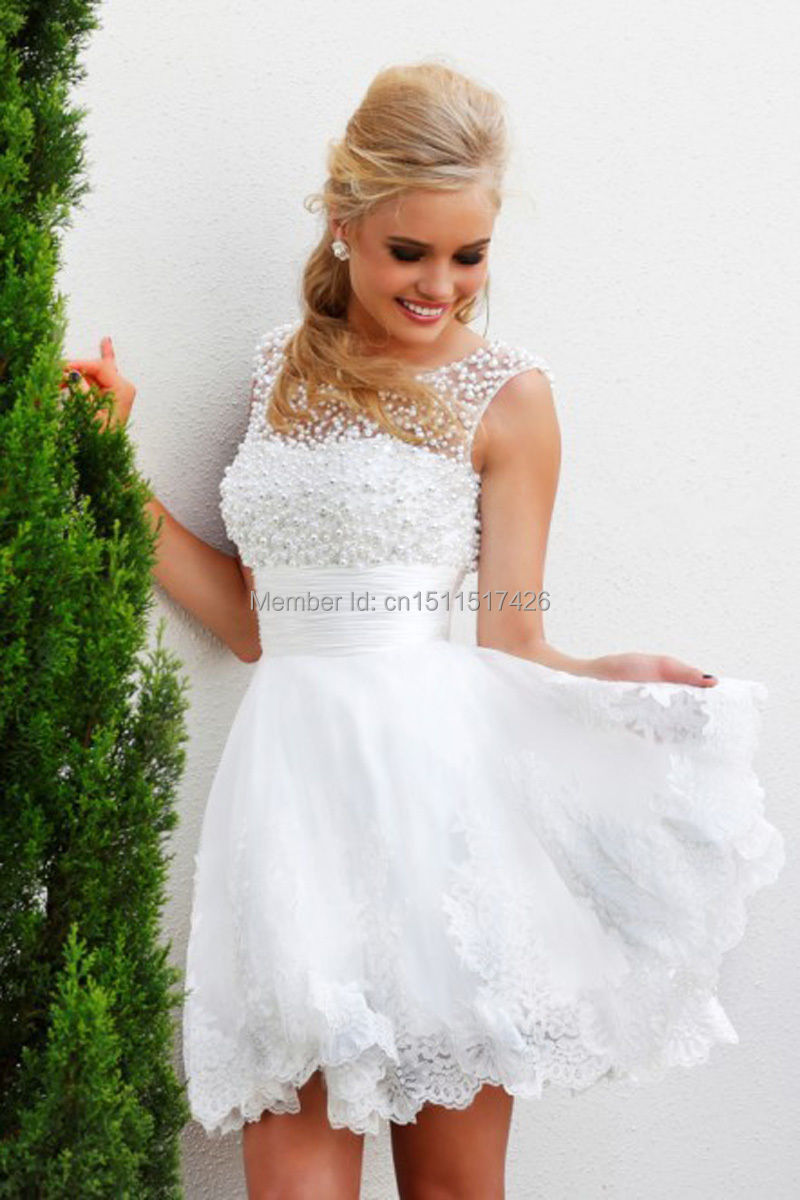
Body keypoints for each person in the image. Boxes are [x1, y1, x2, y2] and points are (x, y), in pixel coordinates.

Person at [62, 60, 784, 1200]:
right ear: (343, 221)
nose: (441, 286)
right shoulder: (278, 369)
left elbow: (513, 633)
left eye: (469, 255)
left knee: (451, 1188)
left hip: (440, 811)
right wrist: (107, 463)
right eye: (410, 251)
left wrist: (608, 677)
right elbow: (252, 623)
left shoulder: (511, 394)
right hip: (289, 807)